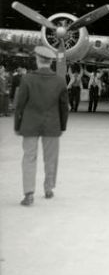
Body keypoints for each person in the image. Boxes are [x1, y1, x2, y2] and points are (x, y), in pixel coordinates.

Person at [14, 46, 69, 206]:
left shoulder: (27, 79)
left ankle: (29, 193)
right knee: (51, 158)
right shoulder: (60, 80)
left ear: (37, 60)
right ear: (51, 61)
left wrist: (18, 125)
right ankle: (48, 188)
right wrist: (62, 126)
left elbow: (20, 105)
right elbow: (64, 106)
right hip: (52, 125)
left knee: (29, 158)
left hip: (30, 124)